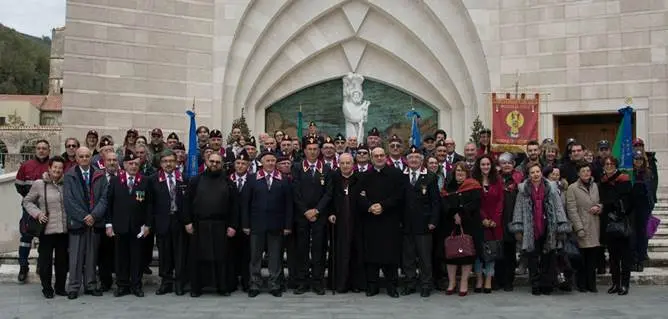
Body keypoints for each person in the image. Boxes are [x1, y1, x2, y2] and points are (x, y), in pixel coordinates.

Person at [510, 162, 571, 296]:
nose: (535, 174)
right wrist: (518, 227)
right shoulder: (523, 189)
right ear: (529, 175)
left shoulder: (551, 187)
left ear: (541, 173)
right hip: (530, 227)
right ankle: (535, 283)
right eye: (532, 172)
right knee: (532, 257)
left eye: (537, 172)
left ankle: (546, 283)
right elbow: (518, 209)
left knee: (548, 256)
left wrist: (561, 225)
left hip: (548, 226)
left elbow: (558, 207)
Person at [183, 153, 238, 297]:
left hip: (221, 225)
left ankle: (222, 287)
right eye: (212, 161)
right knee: (198, 257)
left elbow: (235, 206)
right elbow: (186, 202)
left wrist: (233, 225)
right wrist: (187, 222)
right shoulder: (196, 180)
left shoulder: (228, 182)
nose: (214, 164)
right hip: (199, 225)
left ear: (222, 164)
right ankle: (197, 288)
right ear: (207, 162)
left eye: (218, 162)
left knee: (222, 258)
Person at [242, 150, 293, 298]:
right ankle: (255, 284)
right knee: (255, 257)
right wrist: (245, 224)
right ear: (261, 162)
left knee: (275, 257)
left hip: (276, 226)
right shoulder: (252, 179)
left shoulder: (283, 179)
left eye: (272, 161)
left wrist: (287, 225)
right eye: (267, 160)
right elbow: (245, 203)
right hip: (256, 225)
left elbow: (288, 204)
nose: (270, 163)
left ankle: (274, 285)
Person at [357, 147, 405, 298]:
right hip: (370, 220)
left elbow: (399, 195)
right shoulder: (364, 176)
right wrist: (370, 206)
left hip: (389, 220)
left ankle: (391, 286)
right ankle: (372, 286)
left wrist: (383, 206)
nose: (379, 158)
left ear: (386, 157)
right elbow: (359, 196)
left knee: (390, 254)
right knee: (371, 254)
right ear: (371, 158)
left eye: (381, 155)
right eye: (376, 156)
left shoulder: (396, 174)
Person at [64, 147, 108, 299]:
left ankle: (90, 284)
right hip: (78, 222)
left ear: (91, 157)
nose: (84, 158)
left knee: (91, 255)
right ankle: (74, 287)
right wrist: (84, 216)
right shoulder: (69, 176)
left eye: (87, 156)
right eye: (81, 156)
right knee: (75, 256)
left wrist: (94, 215)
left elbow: (104, 198)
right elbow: (69, 200)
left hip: (94, 222)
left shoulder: (100, 175)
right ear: (76, 158)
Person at [105, 150, 150, 297]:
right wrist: (109, 224)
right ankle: (122, 285)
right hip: (120, 226)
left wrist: (148, 225)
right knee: (121, 257)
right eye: (130, 163)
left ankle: (136, 285)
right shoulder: (116, 181)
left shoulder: (144, 181)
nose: (133, 166)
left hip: (138, 227)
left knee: (137, 258)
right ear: (124, 165)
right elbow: (109, 204)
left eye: (136, 164)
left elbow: (149, 205)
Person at [291, 136, 332, 295]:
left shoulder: (326, 169)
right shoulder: (297, 167)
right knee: (301, 249)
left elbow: (329, 193)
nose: (313, 152)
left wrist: (317, 210)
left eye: (315, 149)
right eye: (310, 149)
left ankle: (318, 281)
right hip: (302, 216)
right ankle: (302, 282)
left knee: (319, 250)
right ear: (304, 150)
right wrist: (306, 211)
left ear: (319, 150)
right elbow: (295, 192)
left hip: (319, 216)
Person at [22, 156, 68, 299]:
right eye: (55, 167)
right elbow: (27, 201)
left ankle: (60, 287)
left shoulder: (66, 184)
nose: (57, 170)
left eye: (60, 168)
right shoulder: (39, 184)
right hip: (46, 230)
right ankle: (47, 288)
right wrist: (37, 213)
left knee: (62, 262)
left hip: (63, 230)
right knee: (45, 262)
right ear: (49, 168)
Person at [148, 150, 188, 296]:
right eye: (165, 161)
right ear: (160, 163)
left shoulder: (183, 178)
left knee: (179, 253)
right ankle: (166, 282)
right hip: (162, 221)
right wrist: (151, 223)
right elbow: (150, 204)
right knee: (164, 253)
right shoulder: (153, 180)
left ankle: (179, 283)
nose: (168, 164)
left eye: (171, 161)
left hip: (179, 220)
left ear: (176, 162)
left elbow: (187, 202)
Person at [401, 146, 439, 297]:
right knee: (408, 257)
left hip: (424, 224)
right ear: (407, 160)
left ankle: (425, 285)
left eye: (417, 157)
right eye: (411, 158)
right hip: (406, 224)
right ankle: (410, 283)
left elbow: (435, 202)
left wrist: (433, 221)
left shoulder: (430, 177)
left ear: (422, 160)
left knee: (424, 258)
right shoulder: (401, 176)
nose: (414, 160)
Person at [441, 162, 482, 297]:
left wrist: (462, 214)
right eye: (457, 171)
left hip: (469, 224)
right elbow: (444, 203)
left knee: (466, 254)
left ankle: (464, 282)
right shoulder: (448, 186)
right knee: (451, 255)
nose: (459, 173)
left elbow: (475, 203)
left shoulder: (474, 185)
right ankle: (452, 282)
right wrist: (454, 214)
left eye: (462, 171)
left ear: (467, 173)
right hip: (450, 224)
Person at [327, 153, 365, 293]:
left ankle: (355, 283)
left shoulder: (359, 178)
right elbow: (328, 197)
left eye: (348, 163)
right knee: (340, 252)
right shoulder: (334, 178)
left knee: (356, 251)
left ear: (353, 164)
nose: (345, 166)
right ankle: (339, 283)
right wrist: (331, 213)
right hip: (339, 221)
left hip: (356, 221)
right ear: (338, 164)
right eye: (342, 163)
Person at [15, 139, 51, 282]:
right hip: (29, 209)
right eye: (39, 148)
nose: (41, 150)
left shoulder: (52, 165)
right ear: (35, 150)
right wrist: (31, 198)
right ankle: (23, 266)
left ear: (49, 150)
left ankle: (41, 266)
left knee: (44, 238)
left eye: (44, 148)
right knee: (25, 238)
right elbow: (19, 185)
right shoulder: (26, 166)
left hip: (46, 209)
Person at [599, 156, 633, 295]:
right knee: (613, 257)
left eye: (611, 163)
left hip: (622, 221)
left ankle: (625, 285)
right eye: (606, 164)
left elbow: (628, 201)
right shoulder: (602, 182)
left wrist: (615, 208)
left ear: (615, 165)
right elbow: (603, 199)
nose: (609, 166)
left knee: (625, 256)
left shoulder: (624, 180)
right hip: (608, 223)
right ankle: (615, 283)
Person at [566, 161, 602, 293]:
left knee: (592, 258)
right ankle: (581, 284)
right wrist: (579, 227)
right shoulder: (572, 188)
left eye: (588, 171)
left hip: (594, 225)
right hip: (581, 226)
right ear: (578, 174)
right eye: (583, 171)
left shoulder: (595, 186)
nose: (586, 173)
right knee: (582, 258)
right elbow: (572, 210)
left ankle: (592, 284)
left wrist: (599, 207)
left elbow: (599, 202)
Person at [472, 154, 504, 294]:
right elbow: (474, 203)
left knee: (491, 252)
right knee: (479, 252)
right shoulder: (473, 181)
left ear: (491, 166)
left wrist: (494, 220)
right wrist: (483, 219)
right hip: (478, 222)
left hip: (494, 224)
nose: (485, 167)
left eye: (488, 164)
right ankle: (479, 279)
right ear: (479, 166)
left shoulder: (497, 181)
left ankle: (488, 280)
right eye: (483, 164)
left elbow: (500, 202)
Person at [495, 152, 523, 291]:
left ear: (513, 165)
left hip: (512, 219)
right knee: (497, 252)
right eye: (503, 163)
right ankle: (498, 279)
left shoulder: (519, 180)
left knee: (510, 253)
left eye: (509, 163)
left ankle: (508, 281)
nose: (506, 165)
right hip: (497, 220)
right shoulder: (496, 179)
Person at [96, 151, 119, 292]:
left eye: (114, 160)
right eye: (109, 160)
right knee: (103, 254)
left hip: (119, 222)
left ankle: (121, 280)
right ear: (104, 162)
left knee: (118, 253)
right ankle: (105, 282)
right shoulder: (98, 178)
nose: (112, 163)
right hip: (101, 221)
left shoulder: (123, 177)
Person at [630, 150, 656, 272]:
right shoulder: (629, 173)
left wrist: (651, 205)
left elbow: (651, 190)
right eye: (636, 159)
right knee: (632, 234)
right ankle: (633, 259)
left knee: (643, 234)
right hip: (632, 207)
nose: (638, 161)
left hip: (644, 207)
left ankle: (640, 260)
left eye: (640, 159)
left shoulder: (648, 173)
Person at [632, 138, 658, 205]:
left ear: (643, 147)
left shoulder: (650, 160)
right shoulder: (628, 162)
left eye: (640, 145)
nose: (638, 147)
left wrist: (652, 196)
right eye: (636, 145)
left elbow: (654, 180)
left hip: (647, 197)